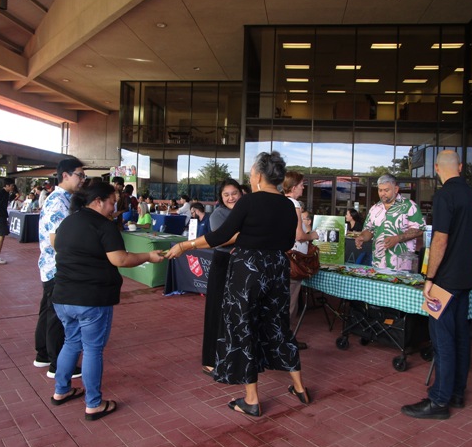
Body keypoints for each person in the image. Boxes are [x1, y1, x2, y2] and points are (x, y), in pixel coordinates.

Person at [166, 152, 310, 417]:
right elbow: (289, 242)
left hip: (248, 270)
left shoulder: (250, 202)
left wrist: (186, 245)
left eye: (251, 172)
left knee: (244, 328)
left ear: (259, 175)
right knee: (278, 326)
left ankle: (252, 400)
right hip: (277, 269)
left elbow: (220, 236)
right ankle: (300, 387)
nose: (250, 177)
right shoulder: (288, 205)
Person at [51, 182, 164, 421]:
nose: (114, 208)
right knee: (92, 349)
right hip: (91, 298)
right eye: (112, 203)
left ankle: (61, 390)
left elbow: (57, 247)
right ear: (98, 201)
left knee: (71, 342)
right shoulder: (103, 225)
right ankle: (93, 403)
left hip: (62, 296)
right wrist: (148, 255)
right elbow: (120, 259)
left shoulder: (68, 222)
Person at [401, 150, 472, 420]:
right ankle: (457, 392)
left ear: (436, 168)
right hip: (466, 277)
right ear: (460, 167)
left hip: (445, 279)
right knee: (460, 337)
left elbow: (440, 240)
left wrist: (430, 277)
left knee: (442, 340)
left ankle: (439, 400)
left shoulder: (444, 196)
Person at [34, 157, 85, 379]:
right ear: (65, 175)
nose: (82, 180)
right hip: (58, 268)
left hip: (52, 267)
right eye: (79, 175)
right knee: (57, 316)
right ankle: (58, 364)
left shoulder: (65, 199)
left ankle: (43, 354)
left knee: (48, 312)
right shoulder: (58, 202)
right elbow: (58, 240)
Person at [200, 179, 242, 377]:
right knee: (216, 310)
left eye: (234, 193)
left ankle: (232, 356)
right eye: (226, 194)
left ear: (241, 193)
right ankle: (210, 361)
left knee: (235, 312)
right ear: (221, 197)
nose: (231, 198)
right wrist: (248, 235)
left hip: (241, 264)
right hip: (223, 263)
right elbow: (221, 238)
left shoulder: (245, 211)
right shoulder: (218, 214)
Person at [355, 174, 425, 271]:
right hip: (378, 264)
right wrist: (362, 237)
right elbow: (369, 230)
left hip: (402, 265)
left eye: (386, 190)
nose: (382, 193)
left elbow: (419, 230)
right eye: (380, 190)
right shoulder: (374, 209)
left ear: (396, 189)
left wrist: (398, 238)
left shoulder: (409, 206)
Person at [283, 171, 319, 349]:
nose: (303, 187)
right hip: (293, 260)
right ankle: (285, 342)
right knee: (290, 303)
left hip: (282, 258)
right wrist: (312, 235)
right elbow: (299, 235)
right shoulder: (294, 204)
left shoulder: (280, 202)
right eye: (301, 185)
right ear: (293, 186)